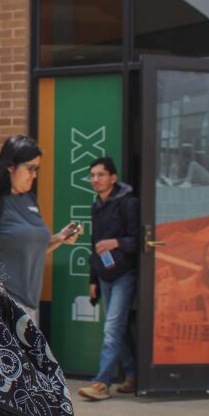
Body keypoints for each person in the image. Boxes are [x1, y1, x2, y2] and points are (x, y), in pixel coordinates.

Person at [0, 134, 81, 323]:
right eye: (30, 168)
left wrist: (59, 238)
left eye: (37, 169)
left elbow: (27, 248)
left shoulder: (29, 200)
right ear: (10, 166)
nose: (35, 175)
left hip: (30, 307)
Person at [80, 156, 139, 401]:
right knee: (118, 327)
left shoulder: (129, 203)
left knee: (113, 327)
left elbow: (139, 240)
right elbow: (95, 245)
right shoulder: (97, 205)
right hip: (104, 275)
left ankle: (102, 382)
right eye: (92, 175)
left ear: (113, 178)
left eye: (100, 175)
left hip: (125, 273)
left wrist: (116, 242)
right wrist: (93, 278)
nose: (95, 179)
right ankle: (132, 376)